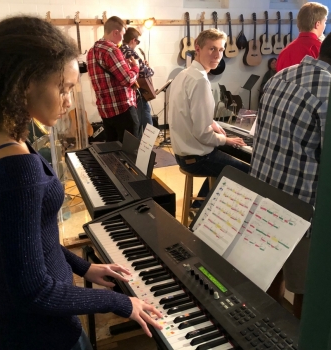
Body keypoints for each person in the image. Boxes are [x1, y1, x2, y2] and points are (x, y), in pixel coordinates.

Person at [0, 16, 162, 350]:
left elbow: (31, 240)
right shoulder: (17, 169)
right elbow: (36, 291)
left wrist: (85, 267)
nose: (68, 101)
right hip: (39, 329)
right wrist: (122, 303)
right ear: (25, 84)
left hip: (20, 312)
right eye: (62, 89)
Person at [250, 33, 331, 319]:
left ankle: (266, 330)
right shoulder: (328, 90)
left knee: (269, 275)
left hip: (263, 200)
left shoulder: (281, 75)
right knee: (308, 293)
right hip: (301, 214)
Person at [168, 28, 250, 209]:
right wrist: (226, 140)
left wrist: (212, 123)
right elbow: (202, 134)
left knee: (224, 158)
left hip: (182, 153)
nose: (217, 55)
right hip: (196, 159)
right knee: (249, 173)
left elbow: (188, 113)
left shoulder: (183, 74)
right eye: (212, 49)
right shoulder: (199, 80)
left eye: (220, 50)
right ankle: (215, 214)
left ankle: (202, 203)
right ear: (198, 48)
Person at [87, 16, 140, 142]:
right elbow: (127, 80)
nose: (123, 38)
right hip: (122, 109)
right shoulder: (112, 50)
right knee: (130, 153)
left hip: (105, 110)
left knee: (112, 152)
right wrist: (135, 67)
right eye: (122, 34)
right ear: (115, 32)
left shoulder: (91, 51)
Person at [120, 27, 154, 138]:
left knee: (138, 123)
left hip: (127, 94)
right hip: (138, 93)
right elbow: (145, 72)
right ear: (133, 40)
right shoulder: (129, 51)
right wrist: (148, 68)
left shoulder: (119, 50)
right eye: (137, 41)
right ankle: (148, 150)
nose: (137, 44)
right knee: (147, 125)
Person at [276, 2, 328, 72]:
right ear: (317, 24)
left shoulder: (284, 53)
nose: (325, 25)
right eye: (324, 22)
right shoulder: (321, 50)